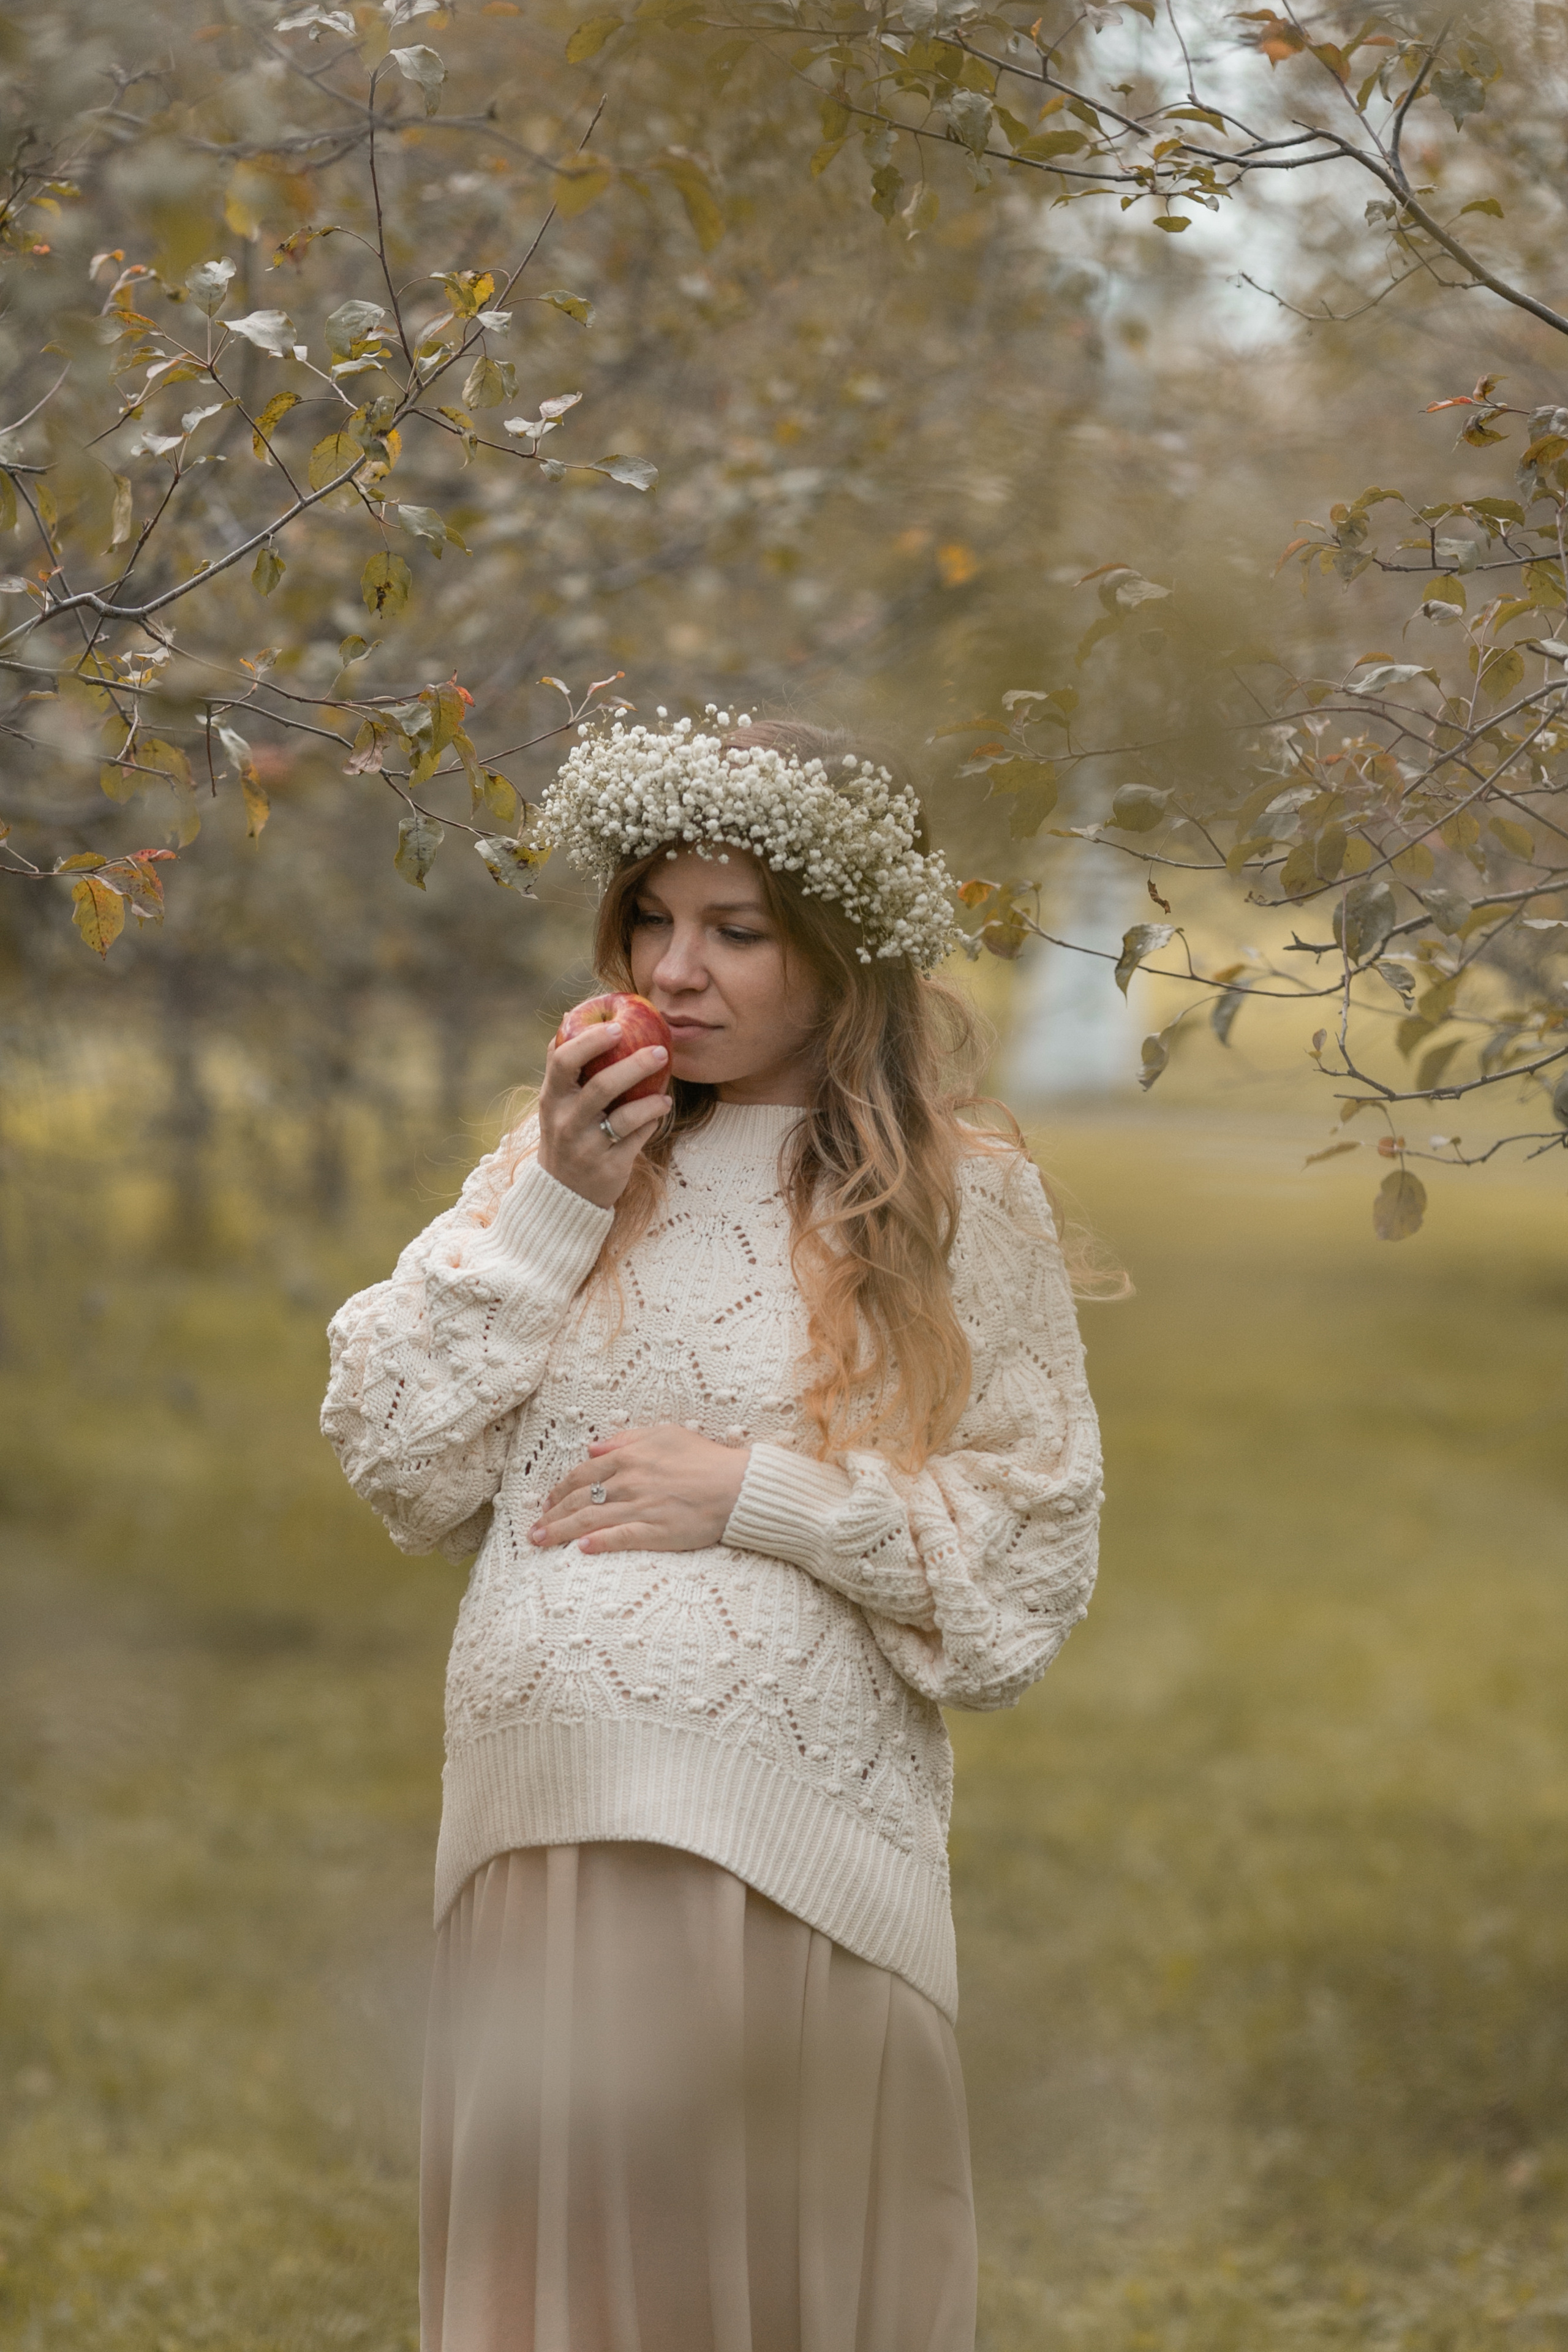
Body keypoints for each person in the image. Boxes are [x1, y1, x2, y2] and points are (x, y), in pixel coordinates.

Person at [321, 709, 1103, 2352]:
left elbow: (1027, 1556)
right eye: (651, 922)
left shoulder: (955, 1198)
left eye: (737, 930)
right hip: (539, 1833)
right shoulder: (558, 1163)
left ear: (843, 950)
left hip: (789, 1858)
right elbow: (398, 1460)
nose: (674, 972)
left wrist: (758, 1496)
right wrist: (557, 1202)